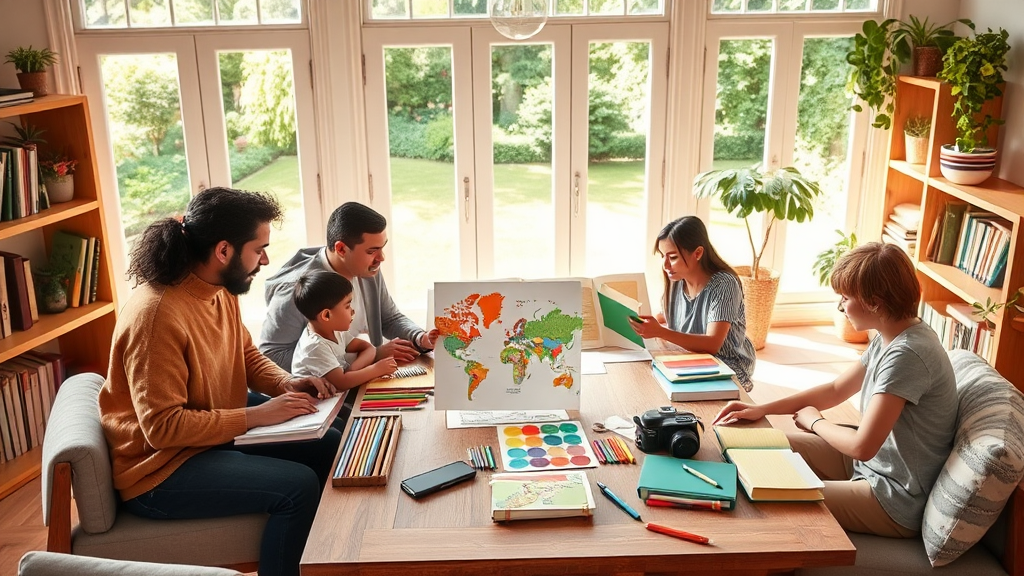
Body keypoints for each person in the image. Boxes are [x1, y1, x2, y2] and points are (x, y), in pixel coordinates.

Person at [98, 187, 342, 576]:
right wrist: (257, 416)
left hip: (209, 435)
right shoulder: (156, 316)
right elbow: (162, 428)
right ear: (224, 250)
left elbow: (244, 354)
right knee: (298, 486)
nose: (265, 260)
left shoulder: (219, 288)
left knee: (330, 442)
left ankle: (335, 560)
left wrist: (286, 383)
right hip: (161, 471)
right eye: (259, 249)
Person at [714, 242, 957, 538]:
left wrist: (815, 422)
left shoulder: (908, 355)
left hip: (894, 496)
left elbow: (862, 447)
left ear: (874, 302)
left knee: (770, 491)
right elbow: (835, 389)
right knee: (752, 447)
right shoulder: (892, 335)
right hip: (874, 465)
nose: (840, 306)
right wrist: (762, 409)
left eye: (845, 297)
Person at [260, 202, 439, 371]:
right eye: (372, 251)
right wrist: (370, 356)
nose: (381, 258)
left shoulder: (366, 269)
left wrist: (420, 338)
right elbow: (272, 356)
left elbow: (389, 318)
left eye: (381, 248)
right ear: (341, 249)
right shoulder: (296, 289)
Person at [629, 215, 756, 391]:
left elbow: (712, 344)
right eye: (663, 256)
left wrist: (660, 332)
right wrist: (641, 322)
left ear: (697, 253)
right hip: (690, 359)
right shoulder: (676, 280)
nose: (666, 265)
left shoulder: (724, 284)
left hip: (726, 365)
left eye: (673, 257)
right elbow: (665, 316)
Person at [292, 269, 399, 389]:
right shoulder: (314, 346)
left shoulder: (334, 331)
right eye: (347, 306)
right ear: (326, 315)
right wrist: (376, 369)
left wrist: (352, 370)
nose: (352, 311)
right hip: (318, 399)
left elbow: (368, 348)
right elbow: (342, 383)